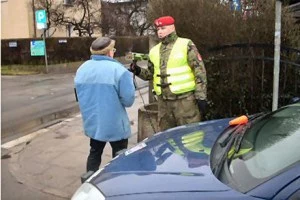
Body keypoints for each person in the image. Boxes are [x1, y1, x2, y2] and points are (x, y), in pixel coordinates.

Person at [129, 16, 207, 131]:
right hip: (164, 104)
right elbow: (151, 74)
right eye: (158, 29)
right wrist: (138, 70)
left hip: (185, 102)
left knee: (190, 135)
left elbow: (199, 71)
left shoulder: (186, 45)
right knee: (167, 138)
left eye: (163, 28)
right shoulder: (154, 51)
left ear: (172, 27)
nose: (160, 32)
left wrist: (201, 97)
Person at [74, 37, 135, 172]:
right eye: (113, 49)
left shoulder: (82, 69)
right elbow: (128, 101)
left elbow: (79, 96)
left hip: (94, 123)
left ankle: (89, 180)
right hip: (115, 124)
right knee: (119, 156)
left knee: (94, 153)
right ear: (109, 52)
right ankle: (117, 183)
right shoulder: (119, 70)